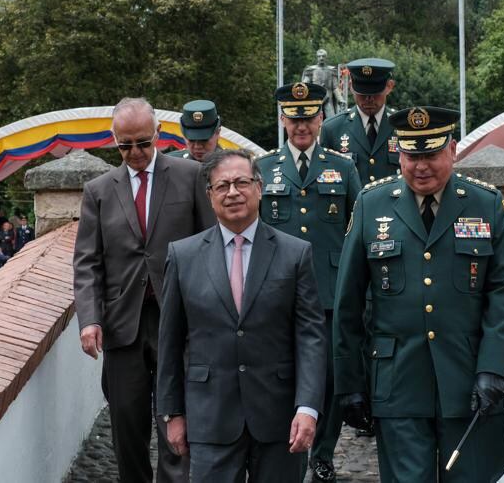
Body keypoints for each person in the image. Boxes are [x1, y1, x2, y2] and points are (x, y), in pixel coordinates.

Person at [334, 106, 504, 482]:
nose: (421, 166)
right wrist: (350, 384)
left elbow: (502, 294)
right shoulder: (372, 205)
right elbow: (348, 304)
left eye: (430, 154)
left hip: (466, 380)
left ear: (452, 150)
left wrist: (492, 369)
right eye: (411, 155)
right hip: (397, 381)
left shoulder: (485, 204)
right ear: (398, 154)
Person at [157, 150, 326, 482]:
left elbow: (311, 337)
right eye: (222, 186)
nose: (232, 192)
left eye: (241, 182)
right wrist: (171, 413)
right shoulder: (183, 256)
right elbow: (170, 341)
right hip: (210, 417)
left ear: (259, 188)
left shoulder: (295, 253)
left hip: (279, 420)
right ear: (210, 196)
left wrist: (308, 407)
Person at [73, 96, 215, 483]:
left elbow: (209, 246)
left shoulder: (190, 176)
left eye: (142, 143)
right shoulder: (98, 191)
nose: (135, 152)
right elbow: (87, 262)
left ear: (158, 135)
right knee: (126, 426)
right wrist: (89, 319)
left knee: (178, 426)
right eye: (125, 145)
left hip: (180, 321)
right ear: (113, 141)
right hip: (123, 326)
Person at [254, 82, 360, 482]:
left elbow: (358, 230)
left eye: (310, 118)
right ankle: (287, 443)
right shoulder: (262, 169)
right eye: (294, 119)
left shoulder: (343, 167)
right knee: (285, 370)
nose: (302, 126)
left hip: (329, 288)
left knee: (330, 375)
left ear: (321, 119)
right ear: (283, 120)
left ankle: (324, 451)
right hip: (279, 289)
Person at [319, 58, 399, 186]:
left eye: (375, 93)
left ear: (389, 86)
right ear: (351, 86)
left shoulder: (403, 127)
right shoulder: (332, 129)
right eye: (362, 93)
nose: (369, 99)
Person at [301, 49, 344, 118]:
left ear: (326, 58)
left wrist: (340, 99)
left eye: (323, 56)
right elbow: (305, 85)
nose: (321, 58)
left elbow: (335, 88)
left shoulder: (331, 70)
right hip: (315, 99)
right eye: (319, 56)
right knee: (313, 119)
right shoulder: (311, 70)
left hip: (328, 99)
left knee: (331, 119)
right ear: (317, 57)